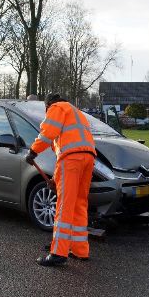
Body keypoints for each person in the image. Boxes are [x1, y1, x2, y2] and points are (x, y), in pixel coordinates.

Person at [25, 93, 96, 267]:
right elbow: (64, 156)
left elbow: (48, 133)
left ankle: (58, 252)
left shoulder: (56, 108)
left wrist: (33, 151)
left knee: (64, 205)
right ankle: (80, 250)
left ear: (49, 104)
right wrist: (55, 180)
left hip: (71, 158)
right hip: (88, 158)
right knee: (79, 203)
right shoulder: (76, 113)